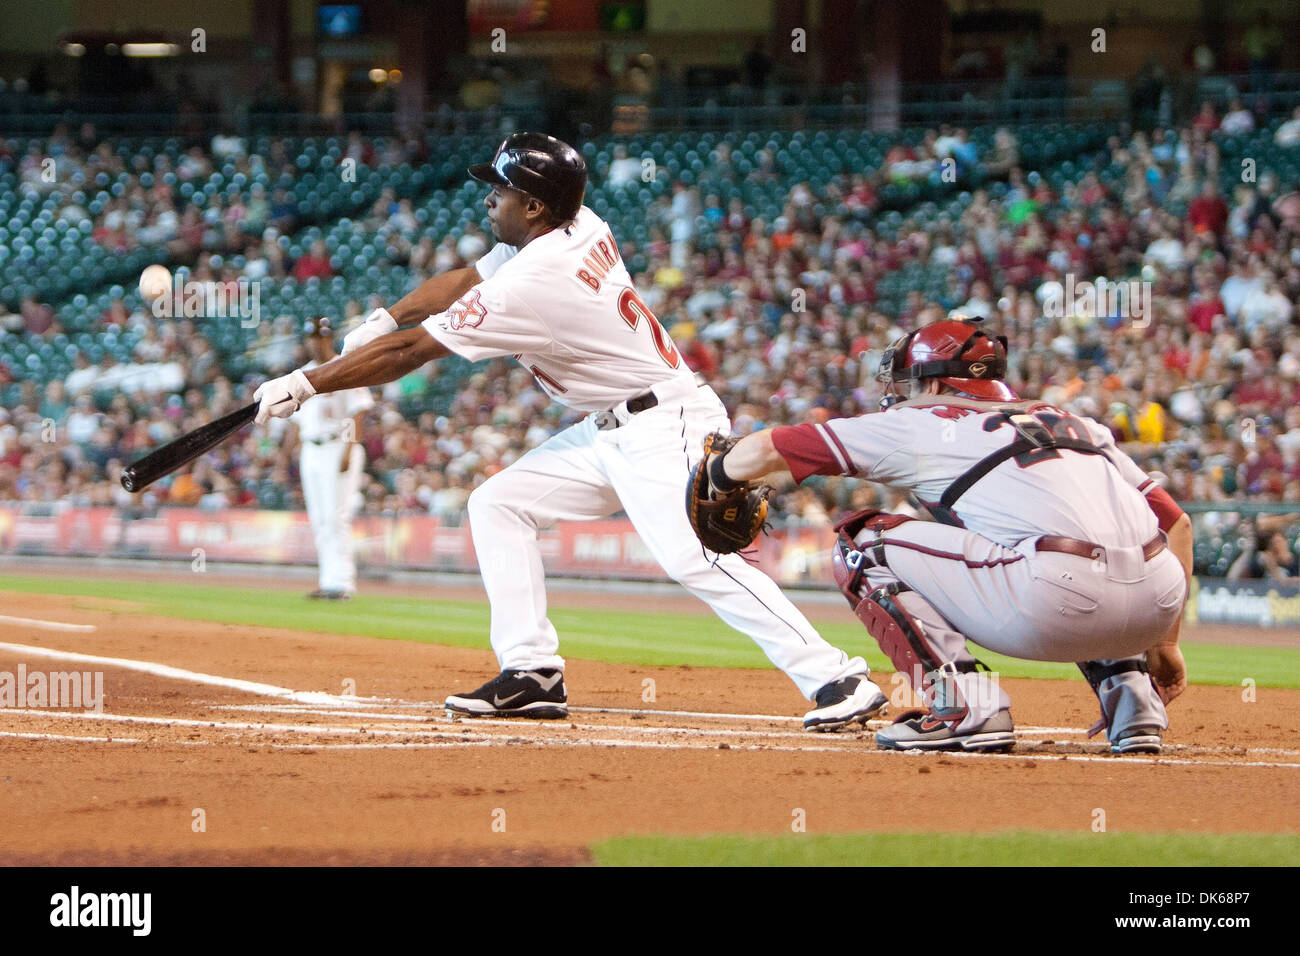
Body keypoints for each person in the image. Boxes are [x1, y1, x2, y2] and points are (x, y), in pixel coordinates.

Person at [252, 132, 884, 731]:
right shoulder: (576, 225)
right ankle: (531, 671)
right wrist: (386, 315)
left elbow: (411, 352)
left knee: (695, 559)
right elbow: (465, 280)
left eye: (498, 193)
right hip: (610, 427)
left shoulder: (532, 283)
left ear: (532, 205)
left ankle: (837, 679)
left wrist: (306, 382)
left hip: (664, 424)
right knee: (499, 503)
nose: (487, 200)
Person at [694, 317, 1193, 754]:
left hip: (1057, 601)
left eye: (908, 383)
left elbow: (767, 449)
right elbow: (1177, 525)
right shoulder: (1071, 420)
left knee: (861, 543)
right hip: (1158, 600)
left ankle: (964, 708)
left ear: (932, 385)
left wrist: (717, 472)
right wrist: (1165, 642)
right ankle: (1135, 706)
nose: (901, 394)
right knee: (1072, 534)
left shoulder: (920, 422)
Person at [287, 317, 373, 599]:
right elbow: (297, 421)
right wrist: (286, 453)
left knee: (337, 517)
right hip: (311, 449)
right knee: (320, 519)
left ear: (330, 338)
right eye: (312, 337)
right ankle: (328, 581)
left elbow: (357, 411)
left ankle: (343, 582)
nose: (316, 341)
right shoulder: (303, 374)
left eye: (321, 336)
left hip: (338, 445)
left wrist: (349, 448)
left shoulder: (345, 365)